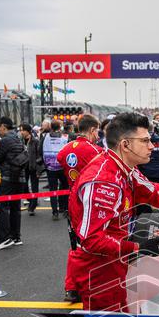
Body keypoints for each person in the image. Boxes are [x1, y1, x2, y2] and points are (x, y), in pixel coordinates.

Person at [67, 112, 159, 311]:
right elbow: (92, 239)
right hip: (99, 265)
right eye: (145, 141)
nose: (152, 146)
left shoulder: (124, 167)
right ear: (125, 145)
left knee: (124, 316)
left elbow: (156, 193)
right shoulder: (104, 181)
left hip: (115, 256)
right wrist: (139, 248)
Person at [57, 114, 107, 303]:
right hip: (92, 202)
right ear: (93, 130)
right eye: (97, 132)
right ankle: (88, 285)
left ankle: (73, 287)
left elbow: (57, 168)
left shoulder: (65, 150)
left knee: (76, 245)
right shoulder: (96, 151)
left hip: (73, 200)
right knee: (94, 245)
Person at [0, 116, 28, 249]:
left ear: (3, 126)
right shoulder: (19, 138)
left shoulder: (5, 140)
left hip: (8, 178)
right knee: (15, 207)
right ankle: (16, 236)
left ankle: (5, 238)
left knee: (2, 207)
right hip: (20, 177)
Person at [41, 120, 70, 219]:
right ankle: (65, 209)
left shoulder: (45, 137)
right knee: (65, 188)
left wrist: (45, 164)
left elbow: (41, 150)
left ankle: (55, 212)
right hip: (62, 167)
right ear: (60, 126)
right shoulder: (65, 137)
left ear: (51, 127)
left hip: (50, 167)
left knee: (52, 190)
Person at [20, 124, 43, 215]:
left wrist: (38, 169)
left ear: (27, 131)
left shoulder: (35, 141)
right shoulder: (20, 141)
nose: (21, 132)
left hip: (33, 167)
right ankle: (32, 200)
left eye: (22, 130)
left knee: (34, 187)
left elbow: (40, 156)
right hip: (24, 167)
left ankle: (32, 206)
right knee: (24, 186)